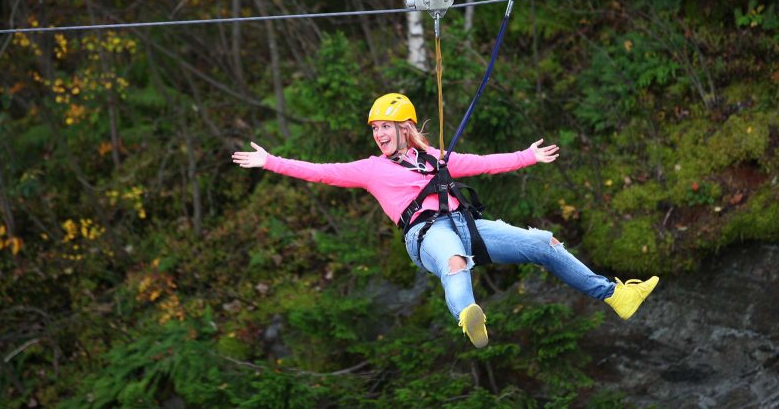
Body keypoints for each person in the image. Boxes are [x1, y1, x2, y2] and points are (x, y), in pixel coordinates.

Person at [232, 93, 658, 348]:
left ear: (406, 128)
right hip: (427, 235)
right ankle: (469, 315)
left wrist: (527, 156)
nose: (378, 134)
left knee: (543, 242)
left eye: (386, 126)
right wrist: (270, 161)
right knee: (455, 262)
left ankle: (614, 295)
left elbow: (482, 163)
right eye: (375, 128)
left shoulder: (437, 158)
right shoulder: (370, 169)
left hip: (465, 225)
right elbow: (322, 171)